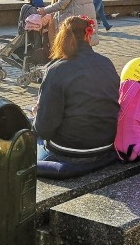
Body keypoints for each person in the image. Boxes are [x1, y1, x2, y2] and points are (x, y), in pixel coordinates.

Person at [33, 16, 120, 178]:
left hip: (71, 151)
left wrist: (38, 113)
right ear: (88, 35)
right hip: (106, 146)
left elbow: (44, 129)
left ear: (62, 37)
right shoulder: (106, 63)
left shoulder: (57, 69)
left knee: (31, 134)